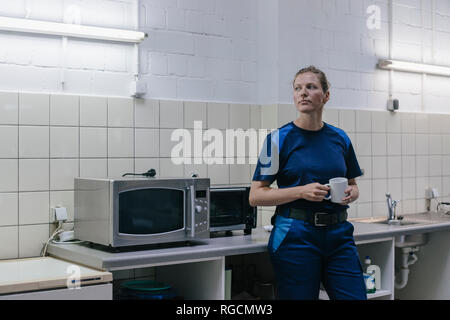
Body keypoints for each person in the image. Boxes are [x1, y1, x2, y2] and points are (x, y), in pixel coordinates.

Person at [249, 66, 366, 300]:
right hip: (296, 235)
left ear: (326, 95)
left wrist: (351, 193)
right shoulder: (277, 140)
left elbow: (353, 185)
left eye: (311, 87)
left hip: (339, 234)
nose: (303, 93)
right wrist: (301, 191)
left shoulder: (340, 138)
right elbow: (256, 195)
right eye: (297, 88)